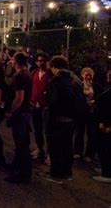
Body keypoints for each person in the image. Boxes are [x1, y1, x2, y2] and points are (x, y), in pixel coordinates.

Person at [43, 56, 83, 184]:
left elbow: (52, 101)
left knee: (55, 147)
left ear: (54, 67)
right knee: (67, 147)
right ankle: (67, 173)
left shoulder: (55, 80)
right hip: (71, 119)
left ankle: (56, 174)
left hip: (57, 119)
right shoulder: (76, 79)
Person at [4, 52, 33, 184]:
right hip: (25, 112)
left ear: (16, 62)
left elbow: (19, 97)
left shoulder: (19, 76)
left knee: (21, 144)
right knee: (22, 143)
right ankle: (16, 165)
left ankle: (23, 174)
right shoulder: (27, 74)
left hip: (20, 114)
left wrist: (10, 110)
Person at [74, 67, 103, 162]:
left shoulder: (96, 86)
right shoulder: (79, 86)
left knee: (91, 133)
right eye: (86, 74)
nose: (88, 77)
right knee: (79, 133)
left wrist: (95, 101)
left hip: (92, 112)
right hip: (81, 112)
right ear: (82, 75)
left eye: (90, 75)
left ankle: (89, 154)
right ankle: (77, 152)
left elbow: (100, 97)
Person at [30, 53, 52, 162]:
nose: (41, 62)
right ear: (36, 62)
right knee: (37, 130)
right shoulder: (34, 73)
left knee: (47, 131)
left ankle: (49, 153)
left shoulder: (50, 75)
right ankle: (40, 149)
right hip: (35, 105)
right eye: (39, 60)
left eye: (43, 60)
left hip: (45, 106)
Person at [93, 84, 111, 183]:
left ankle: (107, 173)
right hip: (105, 123)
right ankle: (106, 169)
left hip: (106, 125)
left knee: (106, 148)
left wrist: (106, 124)